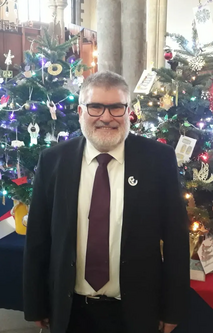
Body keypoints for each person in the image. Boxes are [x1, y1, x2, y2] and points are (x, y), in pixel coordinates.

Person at [23, 71, 190, 333]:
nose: (106, 117)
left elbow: (176, 240)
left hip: (135, 310)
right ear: (80, 111)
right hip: (70, 310)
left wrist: (173, 308)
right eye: (95, 107)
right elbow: (38, 239)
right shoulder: (54, 160)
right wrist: (36, 303)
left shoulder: (158, 160)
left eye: (116, 108)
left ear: (128, 112)